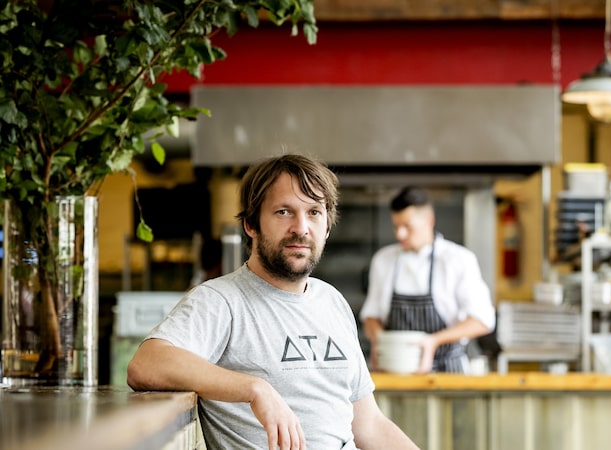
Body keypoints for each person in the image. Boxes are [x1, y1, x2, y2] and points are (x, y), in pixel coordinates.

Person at [127, 154, 419, 450]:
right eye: (283, 212)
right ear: (251, 225)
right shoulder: (221, 300)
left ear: (327, 228)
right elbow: (146, 364)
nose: (301, 228)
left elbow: (369, 426)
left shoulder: (332, 302)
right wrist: (254, 388)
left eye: (314, 213)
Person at [360, 186, 496, 374]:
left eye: (407, 226)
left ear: (429, 220)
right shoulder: (383, 260)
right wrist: (380, 341)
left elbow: (482, 320)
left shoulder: (458, 259)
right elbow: (371, 317)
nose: (400, 234)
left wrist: (433, 342)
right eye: (396, 226)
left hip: (448, 373)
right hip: (395, 373)